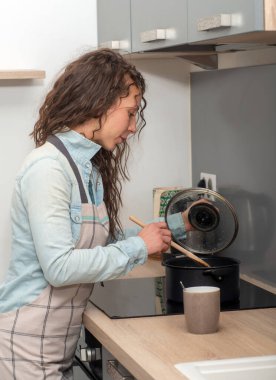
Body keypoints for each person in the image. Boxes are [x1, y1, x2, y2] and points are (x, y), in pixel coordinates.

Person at [0, 49, 174, 379]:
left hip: (52, 346)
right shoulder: (48, 168)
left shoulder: (87, 168)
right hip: (22, 348)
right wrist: (139, 247)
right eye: (130, 113)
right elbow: (60, 267)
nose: (134, 127)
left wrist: (144, 238)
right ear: (101, 104)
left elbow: (90, 246)